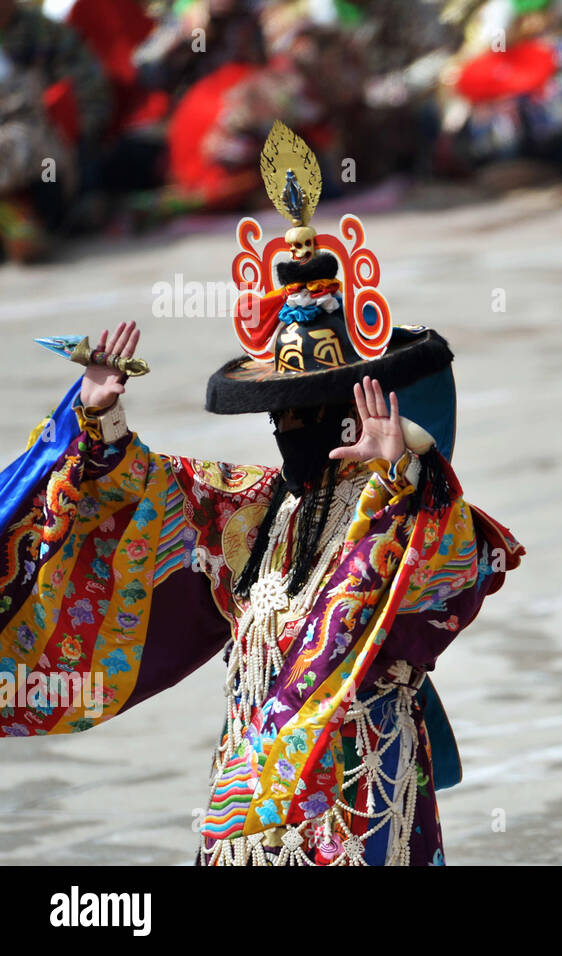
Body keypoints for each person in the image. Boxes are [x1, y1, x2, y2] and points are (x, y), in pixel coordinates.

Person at [0, 122, 522, 866]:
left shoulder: (399, 508)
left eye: (309, 412)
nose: (291, 429)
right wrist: (100, 417)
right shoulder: (255, 506)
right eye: (280, 414)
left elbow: (454, 570)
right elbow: (147, 491)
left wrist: (403, 468)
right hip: (252, 782)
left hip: (360, 783)